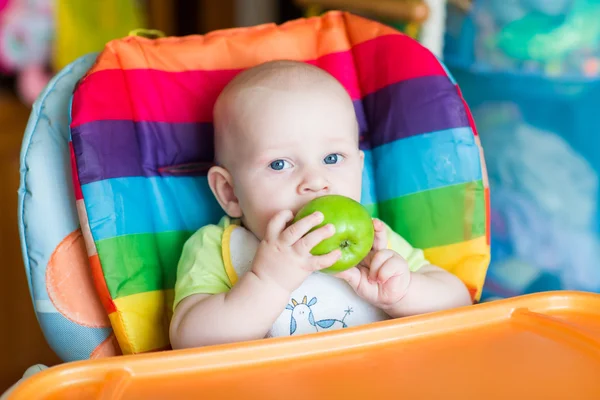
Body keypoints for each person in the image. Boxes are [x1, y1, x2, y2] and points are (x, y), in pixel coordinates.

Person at [170, 60, 471, 349]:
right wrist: (268, 282)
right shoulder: (216, 247)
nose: (315, 181)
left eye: (332, 158)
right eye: (279, 164)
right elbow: (189, 340)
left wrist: (401, 294)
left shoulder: (374, 245)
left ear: (359, 169)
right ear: (230, 193)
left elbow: (459, 301)